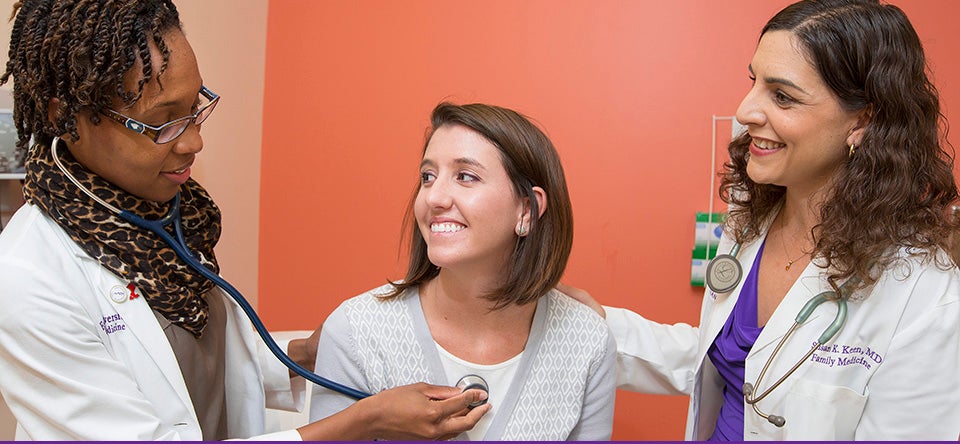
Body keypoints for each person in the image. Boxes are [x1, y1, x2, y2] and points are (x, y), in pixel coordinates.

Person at [0, 0, 488, 440]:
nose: (193, 142)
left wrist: (304, 354)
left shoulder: (172, 219)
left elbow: (207, 365)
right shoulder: (27, 278)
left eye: (196, 108)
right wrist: (365, 420)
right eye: (164, 119)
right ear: (66, 115)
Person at [563, 0, 960, 440]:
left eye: (783, 96)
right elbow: (728, 359)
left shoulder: (924, 298)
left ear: (862, 121)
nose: (745, 111)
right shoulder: (750, 216)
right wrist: (597, 324)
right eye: (754, 82)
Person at [308, 102, 616, 440]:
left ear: (526, 210)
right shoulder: (356, 331)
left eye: (465, 176)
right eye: (428, 177)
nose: (434, 197)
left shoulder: (587, 341)